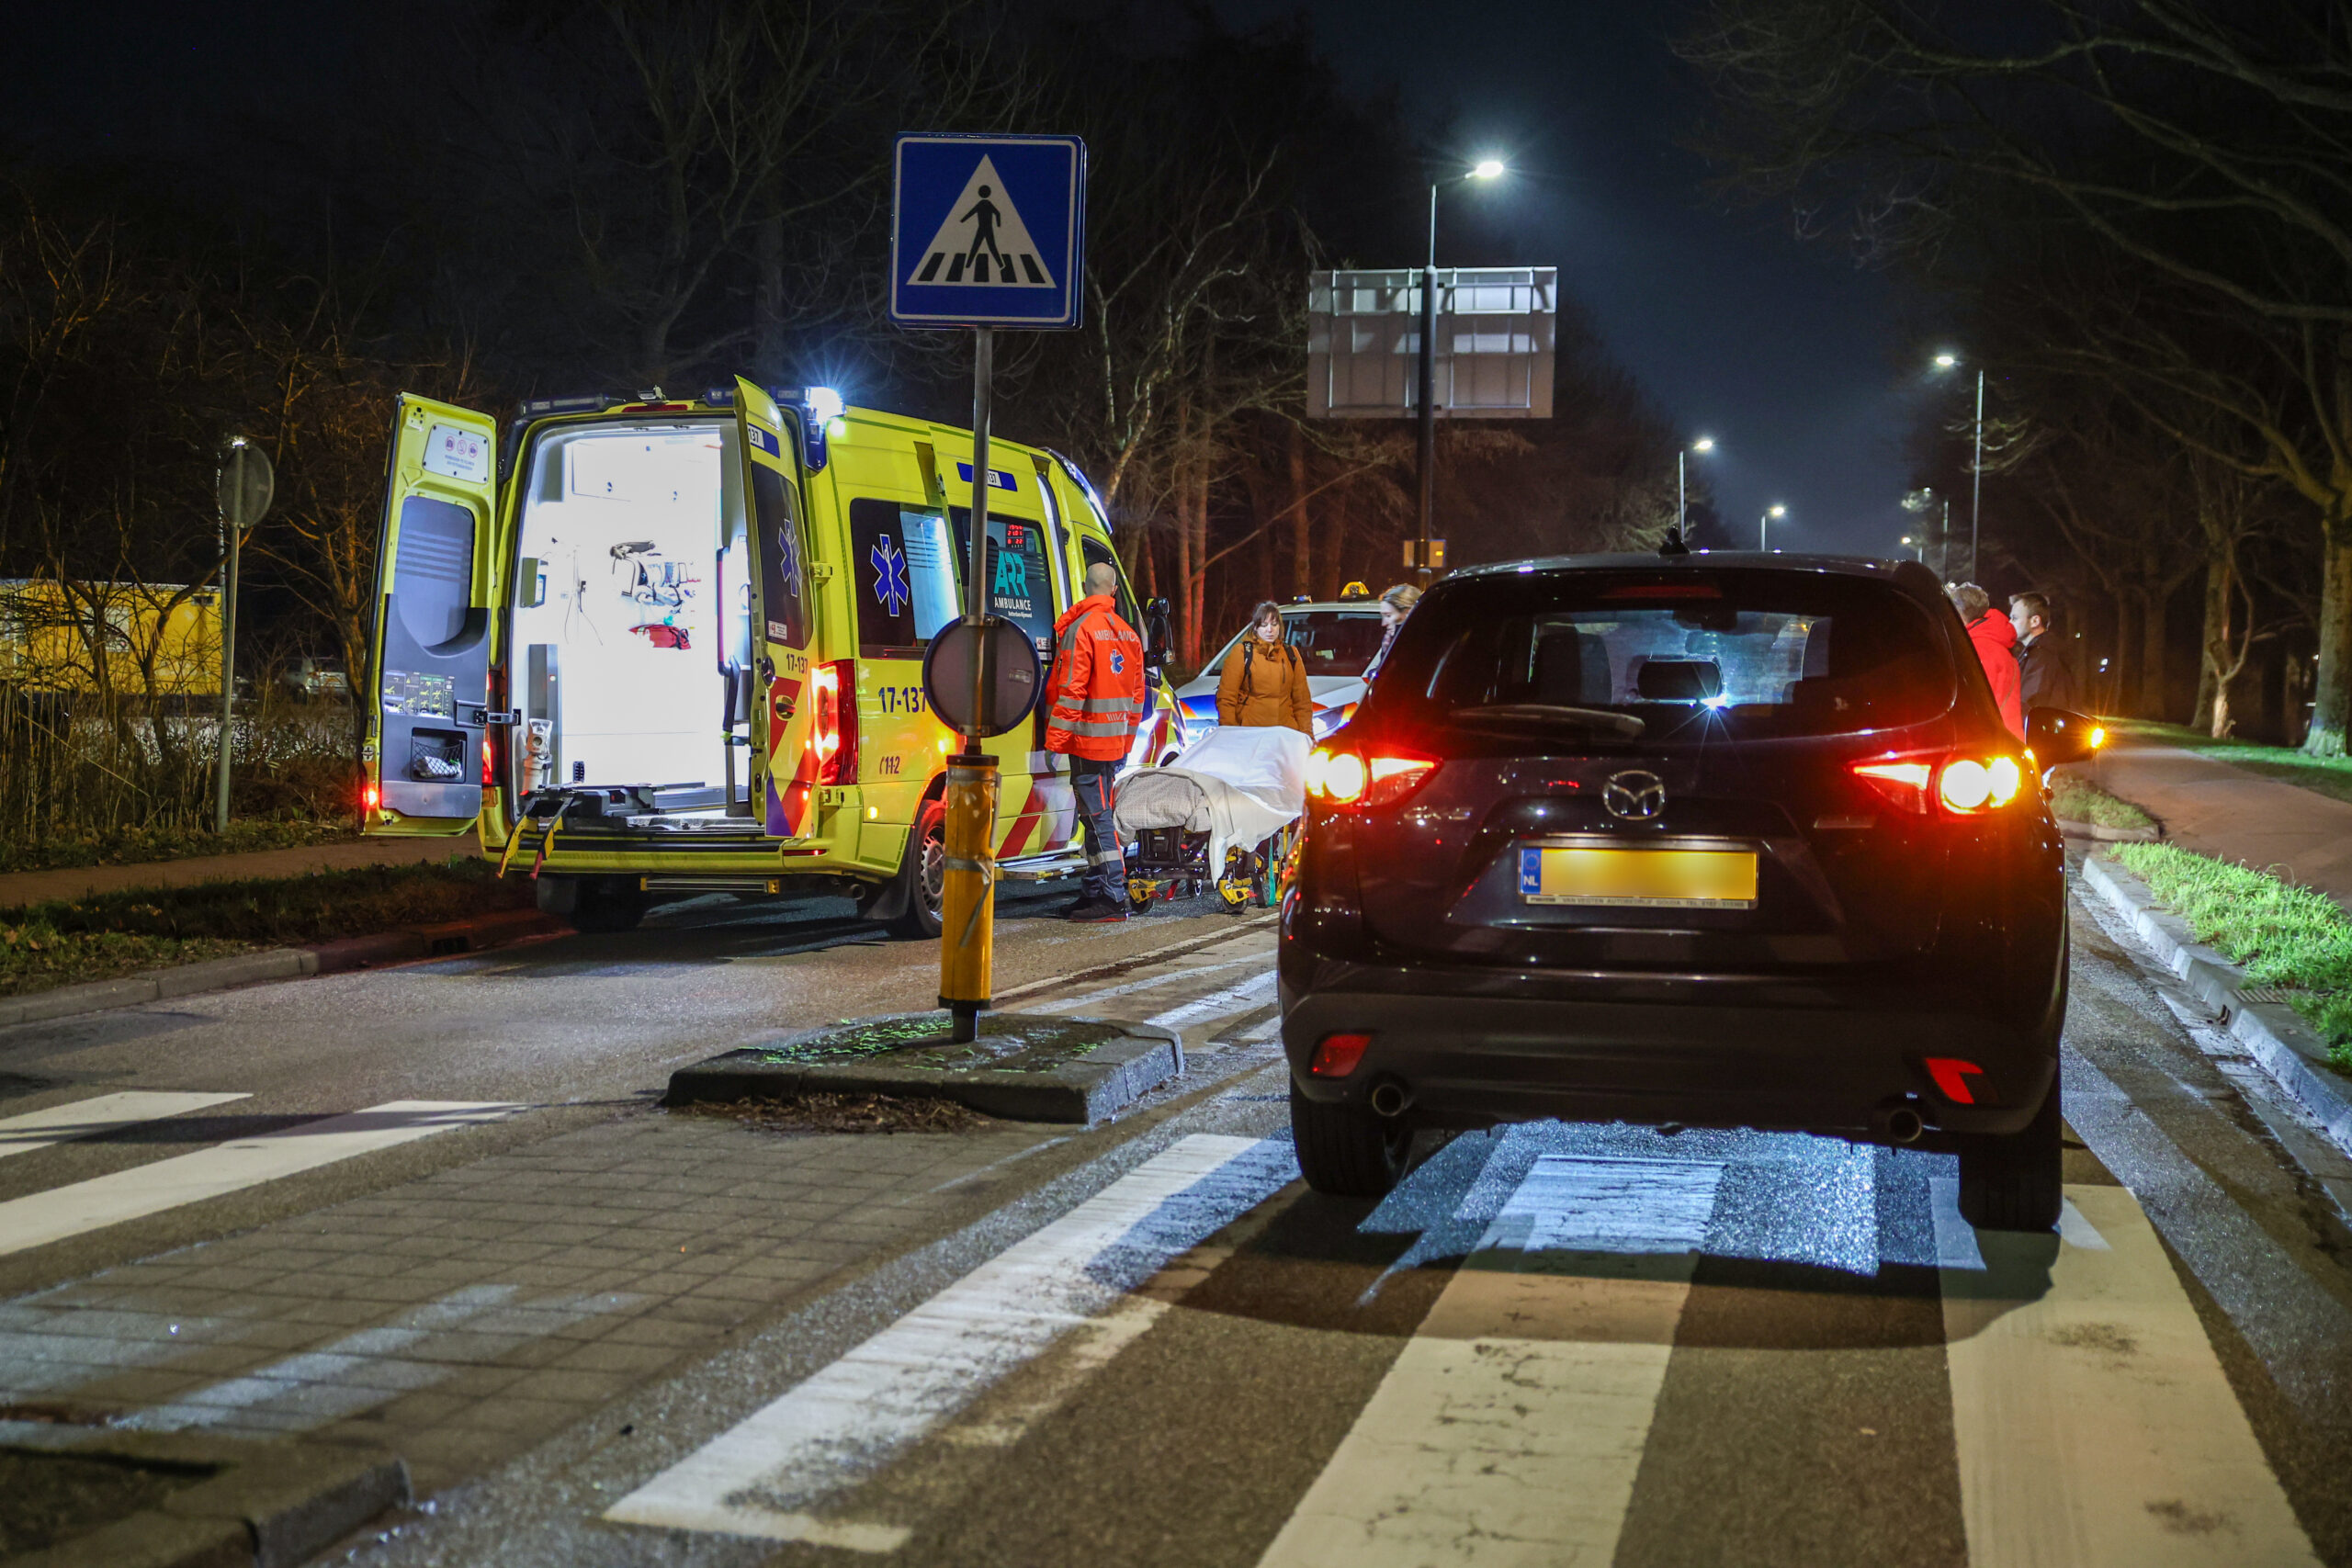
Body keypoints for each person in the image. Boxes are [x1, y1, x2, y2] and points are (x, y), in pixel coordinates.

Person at [1046, 562, 1148, 922]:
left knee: (1097, 818)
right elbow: (1138, 696)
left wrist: (1056, 739)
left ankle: (1112, 894)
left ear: (1085, 587)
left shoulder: (1082, 629)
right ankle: (1094, 890)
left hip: (1087, 743)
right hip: (1113, 743)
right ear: (1114, 590)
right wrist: (1125, 742)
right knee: (1094, 817)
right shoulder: (1129, 635)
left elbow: (1072, 690)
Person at [1216, 601, 1315, 733]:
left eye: (1274, 624)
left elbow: (1302, 701)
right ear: (1256, 628)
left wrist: (1306, 735)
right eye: (1264, 625)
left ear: (1279, 627)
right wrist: (1230, 734)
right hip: (1251, 733)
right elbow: (1226, 698)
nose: (1270, 630)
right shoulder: (1242, 653)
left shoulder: (1291, 653)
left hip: (1284, 733)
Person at [1951, 581, 2023, 737]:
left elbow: (1972, 705)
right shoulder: (1995, 642)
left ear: (1958, 613)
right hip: (2008, 738)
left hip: (1990, 741)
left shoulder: (1976, 649)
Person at [2009, 592, 2082, 715]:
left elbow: (2029, 703)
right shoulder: (2040, 651)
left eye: (2015, 618)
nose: (2010, 622)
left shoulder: (2042, 654)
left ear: (2035, 621)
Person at [1363, 582, 1421, 681]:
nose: (1383, 624)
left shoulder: (1418, 647)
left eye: (1388, 615)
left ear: (1408, 613)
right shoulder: (1393, 641)